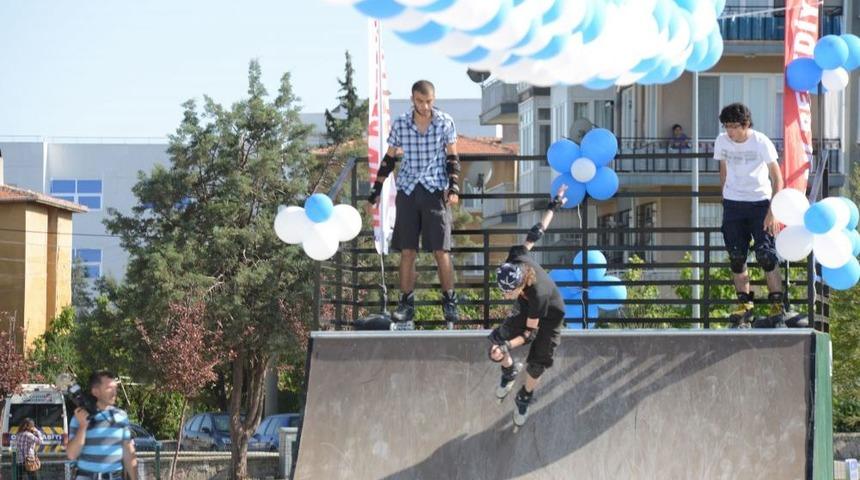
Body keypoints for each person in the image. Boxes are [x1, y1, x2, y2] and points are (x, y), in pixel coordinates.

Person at [367, 80, 460, 328]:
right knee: (407, 250)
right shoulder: (401, 123)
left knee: (441, 250)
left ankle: (450, 300)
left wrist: (454, 187)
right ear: (412, 99)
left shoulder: (444, 122)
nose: (425, 106)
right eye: (420, 101)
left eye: (428, 101)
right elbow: (389, 159)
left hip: (434, 190)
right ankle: (406, 304)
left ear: (434, 98)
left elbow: (452, 156)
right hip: (408, 190)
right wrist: (376, 190)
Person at [488, 184, 568, 427]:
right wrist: (553, 207)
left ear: (521, 285)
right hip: (527, 309)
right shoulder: (516, 258)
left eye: (509, 292)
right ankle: (509, 371)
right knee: (495, 340)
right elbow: (536, 233)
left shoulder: (538, 294)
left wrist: (508, 345)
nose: (506, 295)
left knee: (537, 363)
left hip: (549, 317)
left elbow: (529, 334)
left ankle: (525, 396)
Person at [714, 102, 786, 328]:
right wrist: (725, 199)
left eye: (734, 126)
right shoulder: (722, 141)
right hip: (734, 204)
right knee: (737, 256)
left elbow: (777, 178)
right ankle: (745, 305)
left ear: (745, 124)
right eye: (726, 126)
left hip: (759, 204)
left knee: (766, 255)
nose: (730, 132)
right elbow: (723, 169)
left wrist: (772, 212)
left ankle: (777, 304)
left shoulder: (760, 142)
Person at [67, 371, 138, 480]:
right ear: (95, 392)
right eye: (109, 388)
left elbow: (128, 451)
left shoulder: (121, 416)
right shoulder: (79, 416)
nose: (114, 392)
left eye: (115, 388)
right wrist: (83, 426)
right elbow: (72, 454)